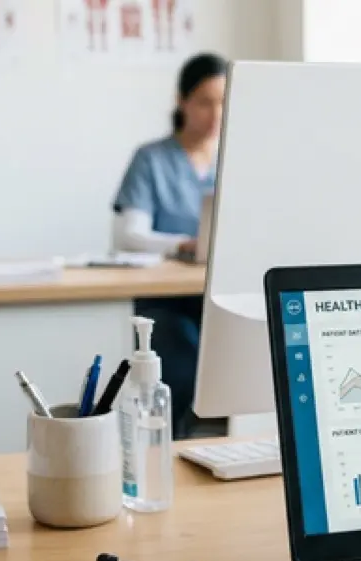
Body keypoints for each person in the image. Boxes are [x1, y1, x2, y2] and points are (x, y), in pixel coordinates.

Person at [112, 52, 226, 439]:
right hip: (166, 299)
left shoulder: (232, 159)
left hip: (217, 295)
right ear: (182, 102)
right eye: (205, 102)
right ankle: (173, 441)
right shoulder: (152, 159)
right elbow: (129, 234)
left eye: (224, 102)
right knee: (183, 356)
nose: (216, 113)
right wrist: (184, 245)